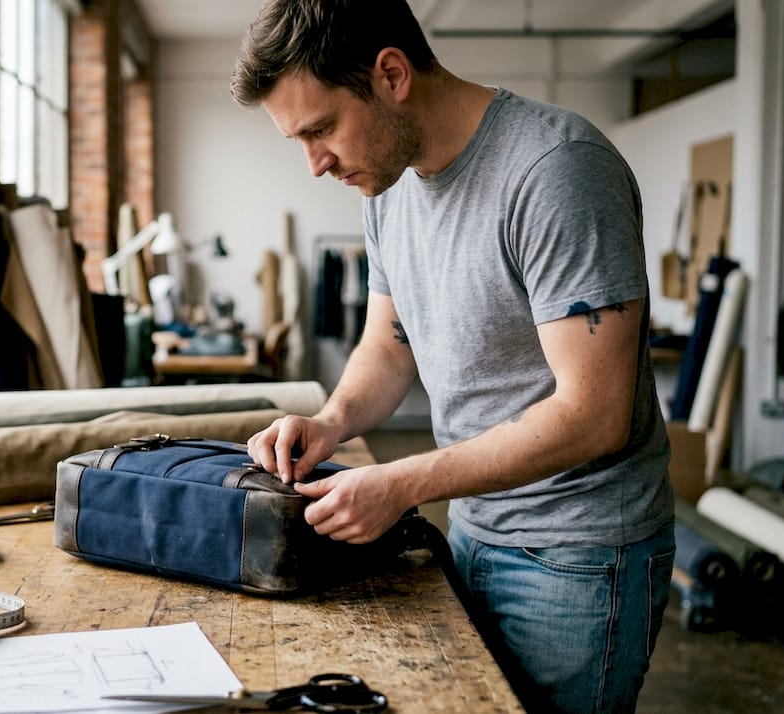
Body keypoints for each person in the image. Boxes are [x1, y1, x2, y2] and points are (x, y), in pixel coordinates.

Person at [231, 1, 675, 712]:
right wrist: (332, 420)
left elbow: (594, 417)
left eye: (320, 130)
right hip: (474, 523)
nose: (315, 164)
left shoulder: (555, 171)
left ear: (392, 74)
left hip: (578, 556)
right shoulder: (386, 183)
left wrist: (402, 484)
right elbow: (389, 342)